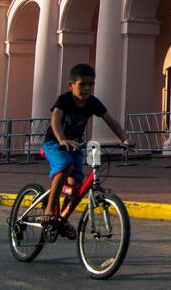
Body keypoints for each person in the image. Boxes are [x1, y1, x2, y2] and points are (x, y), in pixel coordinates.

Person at [39, 63, 132, 233]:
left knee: (76, 186)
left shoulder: (92, 103)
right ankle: (49, 211)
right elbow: (55, 119)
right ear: (71, 85)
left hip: (75, 146)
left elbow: (110, 121)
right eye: (82, 84)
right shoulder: (65, 99)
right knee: (65, 164)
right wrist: (61, 139)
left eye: (91, 84)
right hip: (54, 144)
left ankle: (62, 219)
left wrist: (124, 139)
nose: (87, 88)